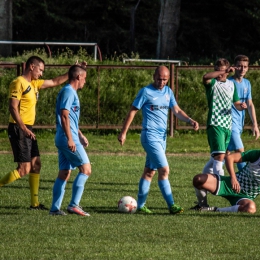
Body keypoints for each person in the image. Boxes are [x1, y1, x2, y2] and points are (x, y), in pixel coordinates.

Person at [118, 65, 199, 214]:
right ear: (153, 76)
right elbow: (132, 112)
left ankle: (140, 206)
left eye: (165, 80)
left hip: (162, 138)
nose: (161, 82)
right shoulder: (146, 91)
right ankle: (171, 205)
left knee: (150, 171)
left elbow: (177, 110)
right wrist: (124, 132)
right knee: (164, 169)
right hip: (149, 136)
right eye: (159, 79)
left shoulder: (168, 91)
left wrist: (189, 120)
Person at [1, 56, 69, 210]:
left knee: (36, 165)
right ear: (32, 66)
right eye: (40, 70)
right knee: (23, 169)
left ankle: (35, 204)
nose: (41, 74)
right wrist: (24, 129)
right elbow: (12, 107)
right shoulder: (18, 82)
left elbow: (55, 81)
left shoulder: (34, 83)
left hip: (28, 129)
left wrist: (71, 72)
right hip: (19, 128)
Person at [190, 58, 247, 210]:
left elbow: (235, 104)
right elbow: (205, 77)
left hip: (227, 126)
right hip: (215, 125)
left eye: (223, 70)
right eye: (218, 69)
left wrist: (242, 106)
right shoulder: (213, 84)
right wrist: (222, 72)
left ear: (228, 71)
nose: (221, 73)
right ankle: (224, 189)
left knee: (214, 162)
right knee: (220, 157)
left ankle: (202, 203)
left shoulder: (231, 84)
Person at [49, 64, 91, 216]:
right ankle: (74, 205)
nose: (85, 81)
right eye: (84, 78)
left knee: (64, 172)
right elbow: (64, 115)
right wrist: (71, 139)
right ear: (78, 77)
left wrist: (79, 134)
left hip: (65, 137)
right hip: (67, 138)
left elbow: (70, 119)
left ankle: (54, 209)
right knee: (86, 169)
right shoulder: (68, 91)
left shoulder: (69, 91)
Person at [193, 149, 260, 214]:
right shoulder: (256, 154)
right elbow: (230, 158)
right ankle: (202, 205)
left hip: (245, 196)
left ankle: (215, 210)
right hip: (228, 184)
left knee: (250, 208)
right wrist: (233, 178)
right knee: (198, 179)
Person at [227, 55, 259, 170]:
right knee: (241, 152)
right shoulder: (228, 82)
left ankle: (214, 177)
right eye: (239, 66)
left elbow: (250, 104)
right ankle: (246, 179)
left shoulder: (247, 83)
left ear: (248, 68)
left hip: (239, 123)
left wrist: (255, 124)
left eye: (245, 66)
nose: (242, 69)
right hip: (230, 123)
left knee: (223, 154)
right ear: (234, 67)